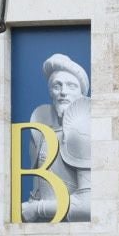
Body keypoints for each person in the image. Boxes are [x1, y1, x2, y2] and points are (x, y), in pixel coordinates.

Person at [21, 53, 92, 222]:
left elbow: (89, 204)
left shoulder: (81, 132)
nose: (63, 92)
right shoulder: (41, 133)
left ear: (81, 94)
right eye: (57, 86)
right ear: (50, 92)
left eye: (71, 86)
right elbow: (39, 190)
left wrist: (37, 209)